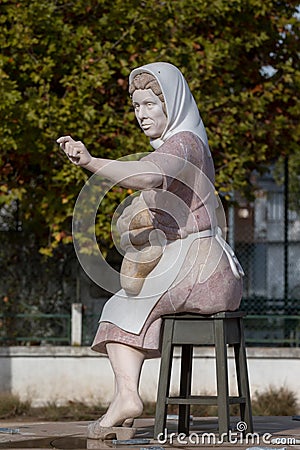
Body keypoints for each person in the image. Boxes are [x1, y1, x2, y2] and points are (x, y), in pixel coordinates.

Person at [57, 62, 244, 440]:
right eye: (136, 106)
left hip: (200, 266)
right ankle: (124, 396)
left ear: (170, 106)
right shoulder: (186, 143)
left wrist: (91, 162)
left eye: (149, 105)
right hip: (199, 267)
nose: (141, 115)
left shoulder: (184, 143)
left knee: (120, 307)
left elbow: (146, 175)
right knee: (126, 300)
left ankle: (127, 397)